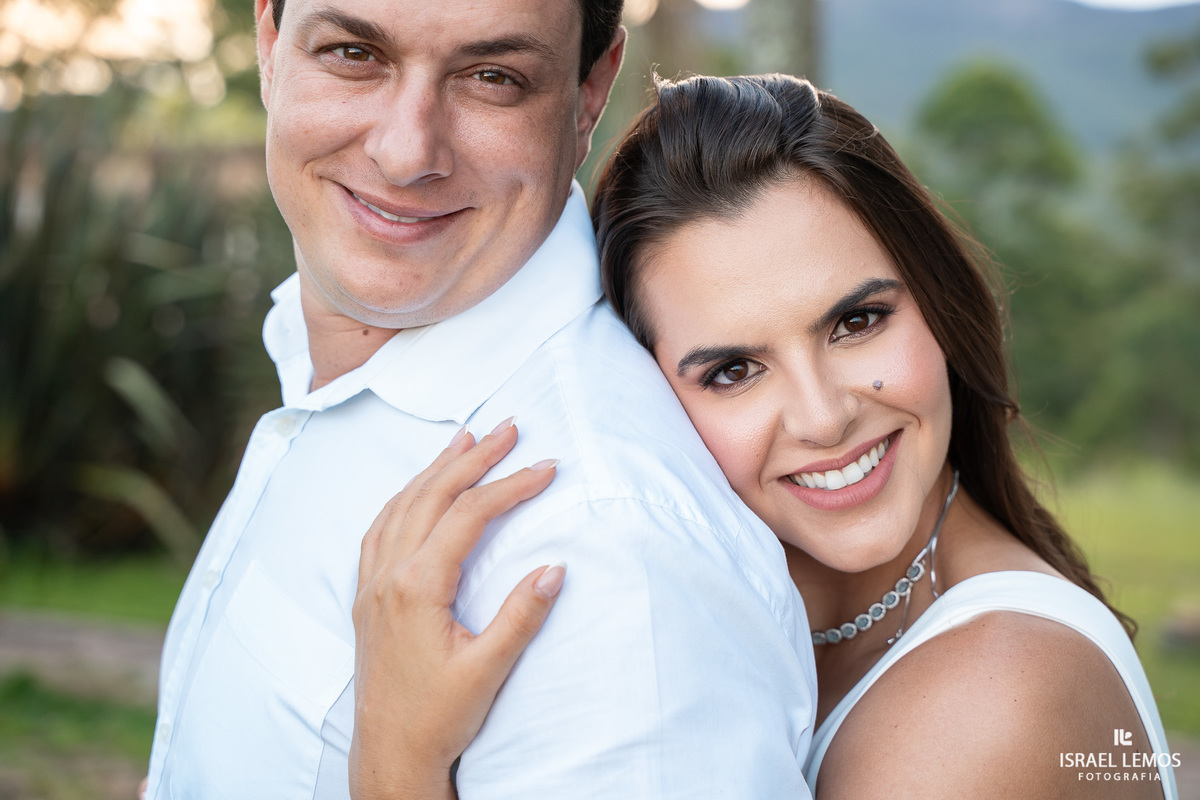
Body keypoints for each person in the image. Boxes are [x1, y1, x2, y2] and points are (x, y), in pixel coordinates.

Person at [357, 74, 1178, 799]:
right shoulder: (691, 609)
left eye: (858, 321)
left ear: (937, 305)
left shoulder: (995, 696)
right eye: (733, 371)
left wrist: (397, 765)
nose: (824, 417)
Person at [142, 1, 822, 797]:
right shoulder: (340, 363)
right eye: (354, 53)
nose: (404, 153)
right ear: (269, 40)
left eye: (493, 77)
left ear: (589, 95)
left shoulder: (604, 550)